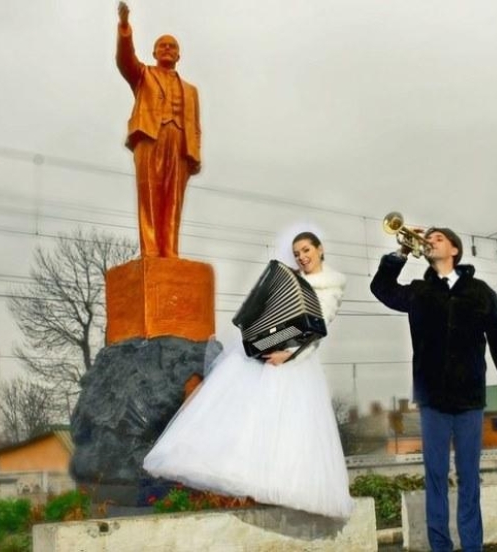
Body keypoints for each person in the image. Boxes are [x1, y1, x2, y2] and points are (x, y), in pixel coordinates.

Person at [143, 232, 354, 519]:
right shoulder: (292, 277)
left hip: (295, 364)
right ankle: (244, 482)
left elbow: (317, 332)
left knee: (287, 429)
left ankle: (281, 490)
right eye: (297, 253)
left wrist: (288, 355)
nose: (302, 257)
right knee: (249, 416)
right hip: (270, 354)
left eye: (306, 250)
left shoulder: (331, 286)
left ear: (320, 249)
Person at [370, 226, 497, 552]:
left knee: (470, 480)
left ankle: (473, 547)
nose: (430, 241)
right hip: (432, 399)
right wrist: (401, 251)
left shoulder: (480, 292)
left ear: (454, 249)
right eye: (427, 239)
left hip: (470, 398)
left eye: (438, 238)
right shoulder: (418, 292)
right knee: (436, 480)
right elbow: (382, 289)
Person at [116, 2, 202, 258]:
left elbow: (195, 126)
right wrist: (124, 28)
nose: (167, 48)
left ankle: (170, 250)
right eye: (162, 45)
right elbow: (124, 60)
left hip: (179, 143)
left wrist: (195, 154)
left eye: (172, 46)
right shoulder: (143, 75)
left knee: (173, 199)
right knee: (150, 194)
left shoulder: (191, 90)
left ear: (179, 55)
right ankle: (151, 250)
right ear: (154, 52)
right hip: (150, 137)